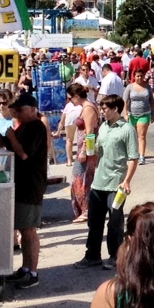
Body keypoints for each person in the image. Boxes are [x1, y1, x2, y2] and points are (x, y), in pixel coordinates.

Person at [0, 92, 49, 289]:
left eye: (20, 110)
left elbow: (22, 154)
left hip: (31, 185)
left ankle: (32, 272)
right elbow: (6, 145)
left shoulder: (36, 127)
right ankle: (25, 268)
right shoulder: (24, 126)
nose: (17, 114)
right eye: (15, 110)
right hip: (21, 184)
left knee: (29, 230)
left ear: (32, 109)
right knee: (24, 228)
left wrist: (12, 135)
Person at [80, 94, 138, 268]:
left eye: (105, 109)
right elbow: (98, 150)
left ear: (115, 109)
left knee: (115, 222)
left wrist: (127, 180)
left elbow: (133, 158)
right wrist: (89, 147)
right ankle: (92, 255)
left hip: (116, 183)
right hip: (98, 182)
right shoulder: (104, 127)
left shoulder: (127, 129)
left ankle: (115, 256)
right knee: (94, 221)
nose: (102, 111)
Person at [64, 83, 101, 223]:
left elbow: (90, 131)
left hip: (87, 149)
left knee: (82, 179)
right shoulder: (85, 107)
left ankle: (86, 210)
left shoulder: (88, 109)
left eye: (70, 98)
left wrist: (84, 151)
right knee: (80, 179)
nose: (69, 101)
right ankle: (84, 209)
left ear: (76, 96)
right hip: (83, 148)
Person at [125, 67, 154, 163]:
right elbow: (126, 101)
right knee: (133, 136)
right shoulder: (130, 87)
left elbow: (151, 100)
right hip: (132, 114)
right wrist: (126, 114)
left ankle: (142, 155)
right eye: (137, 76)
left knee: (141, 136)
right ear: (134, 77)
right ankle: (134, 154)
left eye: (141, 76)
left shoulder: (147, 87)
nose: (139, 78)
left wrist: (153, 112)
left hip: (144, 114)